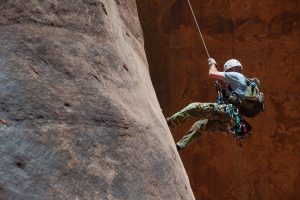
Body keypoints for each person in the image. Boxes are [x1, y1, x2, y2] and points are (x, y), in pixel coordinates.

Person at [166, 58, 249, 150]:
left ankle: (170, 123)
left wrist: (212, 64)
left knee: (194, 107)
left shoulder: (236, 75)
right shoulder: (243, 83)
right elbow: (232, 101)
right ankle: (180, 146)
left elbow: (212, 73)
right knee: (200, 125)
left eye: (228, 71)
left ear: (233, 69)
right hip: (230, 121)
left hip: (227, 112)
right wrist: (221, 91)